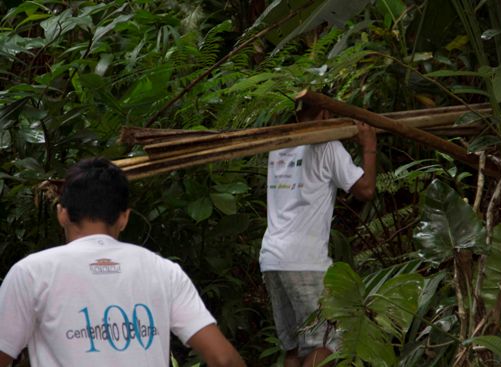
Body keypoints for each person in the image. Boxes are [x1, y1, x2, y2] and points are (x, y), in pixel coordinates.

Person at [0, 157, 246, 367]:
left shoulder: (32, 272)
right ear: (124, 218)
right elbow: (224, 359)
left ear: (62, 213)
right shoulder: (164, 271)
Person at [260, 106, 377, 367]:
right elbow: (366, 189)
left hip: (272, 257)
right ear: (324, 113)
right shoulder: (327, 146)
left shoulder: (279, 145)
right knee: (325, 344)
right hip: (305, 261)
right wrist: (369, 146)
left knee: (294, 347)